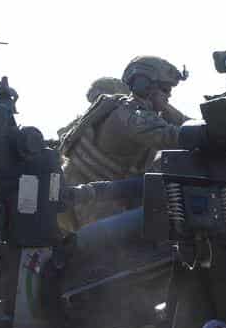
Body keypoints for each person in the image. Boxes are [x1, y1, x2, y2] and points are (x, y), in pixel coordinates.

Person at [58, 57, 188, 229]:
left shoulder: (137, 111)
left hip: (96, 193)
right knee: (120, 249)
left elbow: (185, 125)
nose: (169, 95)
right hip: (87, 198)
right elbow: (173, 136)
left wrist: (164, 106)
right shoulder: (130, 114)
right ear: (144, 85)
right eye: (165, 89)